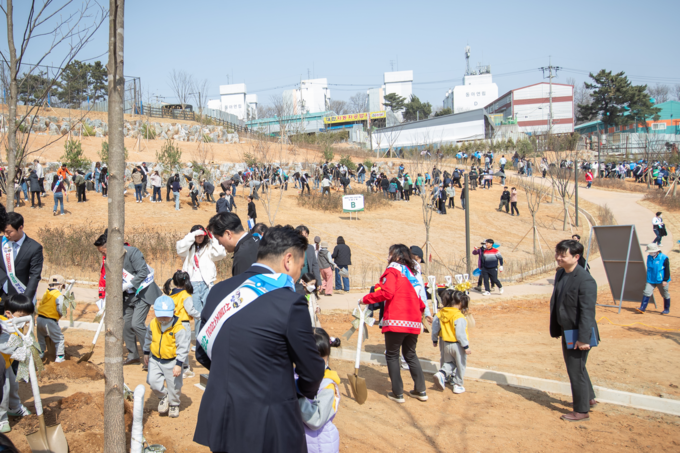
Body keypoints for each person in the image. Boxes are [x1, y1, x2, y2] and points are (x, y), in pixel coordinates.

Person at [194, 225, 325, 453]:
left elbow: (202, 352)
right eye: (300, 266)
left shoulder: (218, 291)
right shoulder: (290, 303)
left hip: (222, 418)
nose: (298, 275)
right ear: (288, 260)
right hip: (268, 425)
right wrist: (298, 390)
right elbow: (312, 371)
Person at [362, 244, 427, 404]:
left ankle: (398, 393)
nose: (388, 257)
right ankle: (420, 390)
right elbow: (420, 300)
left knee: (392, 355)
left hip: (396, 320)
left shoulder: (392, 271)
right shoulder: (411, 273)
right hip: (413, 321)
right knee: (410, 354)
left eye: (390, 254)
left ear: (397, 256)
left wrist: (365, 299)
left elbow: (387, 292)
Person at [94, 230, 163, 366]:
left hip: (142, 293)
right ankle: (133, 355)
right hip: (127, 297)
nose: (103, 255)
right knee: (126, 325)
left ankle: (150, 356)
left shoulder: (132, 252)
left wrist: (127, 285)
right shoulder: (109, 259)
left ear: (110, 246)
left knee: (137, 324)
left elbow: (142, 272)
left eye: (103, 251)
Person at [550, 239, 599, 422]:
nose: (558, 258)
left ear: (576, 257)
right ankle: (589, 398)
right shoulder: (561, 274)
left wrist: (583, 338)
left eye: (563, 255)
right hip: (567, 330)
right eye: (557, 254)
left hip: (579, 333)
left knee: (575, 370)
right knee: (578, 367)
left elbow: (587, 312)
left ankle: (581, 410)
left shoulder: (586, 280)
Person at [143, 295, 190, 419]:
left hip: (172, 361)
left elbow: (183, 347)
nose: (163, 319)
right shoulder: (153, 324)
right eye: (160, 316)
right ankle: (163, 396)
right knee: (152, 380)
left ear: (173, 312)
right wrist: (146, 352)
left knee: (174, 386)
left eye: (166, 316)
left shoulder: (179, 328)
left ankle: (174, 404)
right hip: (155, 359)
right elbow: (148, 338)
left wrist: (179, 364)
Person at [176, 225, 226, 338]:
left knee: (209, 312)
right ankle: (199, 340)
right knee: (198, 315)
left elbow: (220, 254)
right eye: (198, 235)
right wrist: (193, 234)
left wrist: (212, 237)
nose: (200, 237)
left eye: (202, 235)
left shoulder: (208, 247)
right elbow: (179, 247)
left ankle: (209, 338)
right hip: (192, 284)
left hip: (206, 283)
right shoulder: (187, 249)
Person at [299, 328, 341, 453]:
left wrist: (295, 396)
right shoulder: (297, 376)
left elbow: (316, 419)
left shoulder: (327, 386)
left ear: (327, 357)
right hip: (304, 443)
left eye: (320, 358)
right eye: (310, 358)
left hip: (320, 446)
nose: (315, 363)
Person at [0, 294, 36, 433]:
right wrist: (23, 349)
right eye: (22, 316)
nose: (25, 320)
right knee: (3, 392)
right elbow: (6, 347)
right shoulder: (3, 326)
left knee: (13, 386)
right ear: (9, 313)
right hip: (1, 365)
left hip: (7, 363)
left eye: (28, 316)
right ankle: (1, 419)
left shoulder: (16, 325)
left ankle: (14, 407)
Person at [432, 290, 471, 394]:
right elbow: (460, 334)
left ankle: (442, 373)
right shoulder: (459, 316)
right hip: (457, 345)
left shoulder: (441, 313)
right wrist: (466, 346)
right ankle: (458, 384)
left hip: (445, 343)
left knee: (449, 362)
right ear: (461, 303)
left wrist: (434, 339)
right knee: (460, 364)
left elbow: (435, 327)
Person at [0, 212, 43, 304]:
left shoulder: (34, 248)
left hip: (18, 297)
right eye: (4, 231)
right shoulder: (1, 242)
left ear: (20, 228)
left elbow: (34, 276)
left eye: (9, 232)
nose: (6, 235)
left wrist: (26, 299)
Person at [163, 271, 200, 378]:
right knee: (184, 347)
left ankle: (175, 366)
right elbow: (190, 310)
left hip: (173, 323)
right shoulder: (186, 295)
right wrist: (201, 316)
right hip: (183, 324)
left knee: (176, 345)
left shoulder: (171, 293)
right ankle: (185, 369)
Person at [207, 212, 259, 277]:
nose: (219, 243)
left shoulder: (242, 255)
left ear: (228, 234)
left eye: (218, 239)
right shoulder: (257, 240)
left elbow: (241, 282)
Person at [36, 275, 66, 363]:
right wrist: (62, 313)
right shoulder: (58, 295)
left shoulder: (46, 293)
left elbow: (41, 304)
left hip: (40, 319)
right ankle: (60, 357)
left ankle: (41, 353)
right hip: (50, 320)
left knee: (41, 338)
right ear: (60, 286)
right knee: (59, 339)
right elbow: (60, 307)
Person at [636, 243, 671, 315]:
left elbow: (667, 270)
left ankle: (666, 309)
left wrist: (665, 280)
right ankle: (642, 308)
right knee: (646, 292)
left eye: (651, 251)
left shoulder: (664, 257)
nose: (650, 253)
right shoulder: (649, 257)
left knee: (665, 294)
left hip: (661, 280)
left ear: (656, 251)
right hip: (651, 279)